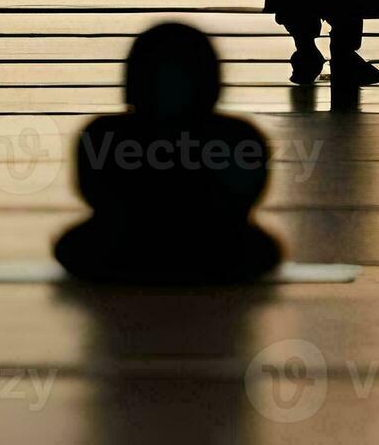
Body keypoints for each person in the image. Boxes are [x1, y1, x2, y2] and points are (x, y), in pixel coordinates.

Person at [54, 23, 283, 284]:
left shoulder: (105, 134)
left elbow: (95, 192)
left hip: (128, 241)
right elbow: (244, 195)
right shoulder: (236, 137)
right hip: (212, 243)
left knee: (82, 244)